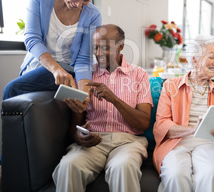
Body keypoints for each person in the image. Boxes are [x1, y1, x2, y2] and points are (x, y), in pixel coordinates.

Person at [0, 0, 102, 192]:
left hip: (69, 71)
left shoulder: (92, 14)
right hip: (43, 67)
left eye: (87, 0)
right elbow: (31, 38)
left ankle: (7, 171)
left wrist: (83, 90)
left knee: (80, 98)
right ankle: (5, 169)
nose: (80, 4)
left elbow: (82, 59)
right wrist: (55, 69)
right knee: (13, 89)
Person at [52, 24, 153, 191]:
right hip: (94, 141)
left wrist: (114, 99)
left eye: (104, 48)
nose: (98, 53)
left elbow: (143, 123)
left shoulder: (139, 74)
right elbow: (75, 126)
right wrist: (78, 136)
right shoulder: (86, 75)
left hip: (128, 142)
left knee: (123, 167)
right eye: (95, 47)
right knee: (68, 166)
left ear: (121, 46)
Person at [153, 34, 214, 192]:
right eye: (211, 57)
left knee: (211, 173)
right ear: (194, 59)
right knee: (176, 174)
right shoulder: (171, 86)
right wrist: (194, 129)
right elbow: (162, 124)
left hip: (209, 143)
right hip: (176, 142)